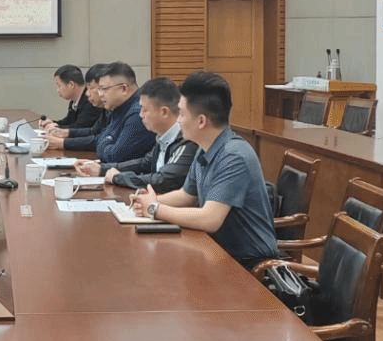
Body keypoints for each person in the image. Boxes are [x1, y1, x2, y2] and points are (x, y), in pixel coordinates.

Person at [131, 71, 279, 269]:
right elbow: (186, 195)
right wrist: (148, 200)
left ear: (201, 121)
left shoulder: (234, 155)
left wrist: (154, 208)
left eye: (182, 114)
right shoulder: (205, 147)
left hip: (248, 265)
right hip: (215, 251)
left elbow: (210, 219)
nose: (178, 121)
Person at [73, 76, 197, 193]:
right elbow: (145, 163)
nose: (140, 114)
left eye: (145, 109)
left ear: (164, 112)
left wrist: (118, 177)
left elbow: (163, 180)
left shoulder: (186, 140)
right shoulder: (163, 137)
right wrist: (101, 169)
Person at [47, 61, 153, 164]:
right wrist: (106, 140)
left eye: (104, 89)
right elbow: (100, 136)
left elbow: (113, 156)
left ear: (124, 89)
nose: (100, 94)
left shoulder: (137, 114)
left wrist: (103, 141)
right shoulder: (119, 108)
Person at [40, 64, 104, 131]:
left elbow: (80, 127)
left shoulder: (91, 100)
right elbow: (69, 121)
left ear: (71, 85)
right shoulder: (74, 100)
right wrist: (52, 124)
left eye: (59, 86)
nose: (58, 90)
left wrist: (56, 128)